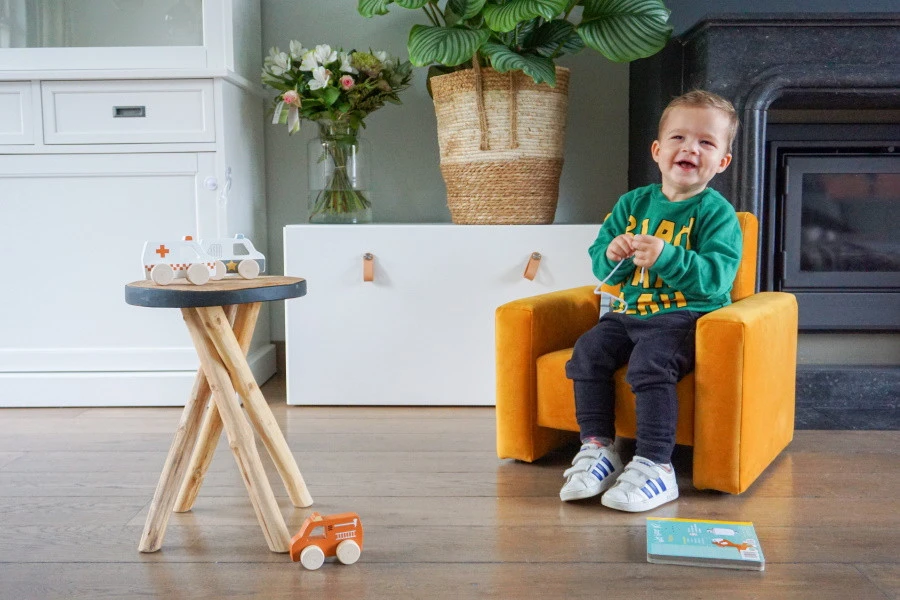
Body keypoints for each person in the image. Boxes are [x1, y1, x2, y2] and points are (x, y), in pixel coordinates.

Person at [560, 90, 742, 512]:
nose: (690, 148)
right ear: (658, 151)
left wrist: (666, 256)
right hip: (629, 313)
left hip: (685, 317)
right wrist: (613, 255)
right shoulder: (632, 204)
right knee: (587, 351)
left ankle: (656, 464)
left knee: (650, 363)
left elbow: (716, 279)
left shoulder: (717, 213)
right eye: (679, 137)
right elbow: (600, 263)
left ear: (722, 162)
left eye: (706, 142)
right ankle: (598, 447)